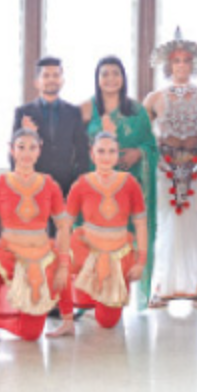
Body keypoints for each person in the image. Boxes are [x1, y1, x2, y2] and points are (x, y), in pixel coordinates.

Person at [0, 129, 75, 355]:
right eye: (21, 147)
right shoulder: (0, 184)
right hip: (8, 253)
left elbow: (63, 226)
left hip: (39, 256)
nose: (26, 153)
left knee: (31, 334)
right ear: (11, 150)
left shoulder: (49, 184)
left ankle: (67, 322)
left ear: (39, 151)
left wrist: (64, 264)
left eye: (32, 147)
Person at [80, 56, 158, 309]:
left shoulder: (137, 111)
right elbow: (75, 143)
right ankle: (91, 294)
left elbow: (152, 146)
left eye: (116, 73)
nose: (111, 78)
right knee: (95, 239)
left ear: (123, 78)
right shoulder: (87, 108)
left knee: (126, 240)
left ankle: (120, 292)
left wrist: (139, 153)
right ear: (97, 79)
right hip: (97, 186)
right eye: (105, 74)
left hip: (129, 186)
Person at [142, 28, 197, 309]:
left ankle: (193, 285)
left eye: (185, 60)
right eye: (176, 60)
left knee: (193, 227)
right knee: (166, 225)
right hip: (165, 169)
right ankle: (164, 285)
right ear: (168, 65)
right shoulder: (154, 98)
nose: (181, 65)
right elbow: (143, 134)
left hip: (195, 168)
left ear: (193, 64)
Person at [66, 132, 148, 328]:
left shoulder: (130, 183)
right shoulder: (81, 184)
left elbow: (141, 224)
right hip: (86, 252)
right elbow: (65, 224)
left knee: (107, 322)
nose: (106, 156)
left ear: (118, 155)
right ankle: (84, 299)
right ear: (92, 154)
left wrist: (141, 262)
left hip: (118, 254)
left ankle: (100, 303)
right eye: (101, 151)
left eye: (111, 151)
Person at [12, 57, 88, 203]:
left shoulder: (74, 112)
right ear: (37, 82)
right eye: (46, 75)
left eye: (56, 75)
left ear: (62, 80)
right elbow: (14, 154)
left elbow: (82, 153)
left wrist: (76, 185)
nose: (51, 79)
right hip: (32, 187)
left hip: (67, 188)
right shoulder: (23, 112)